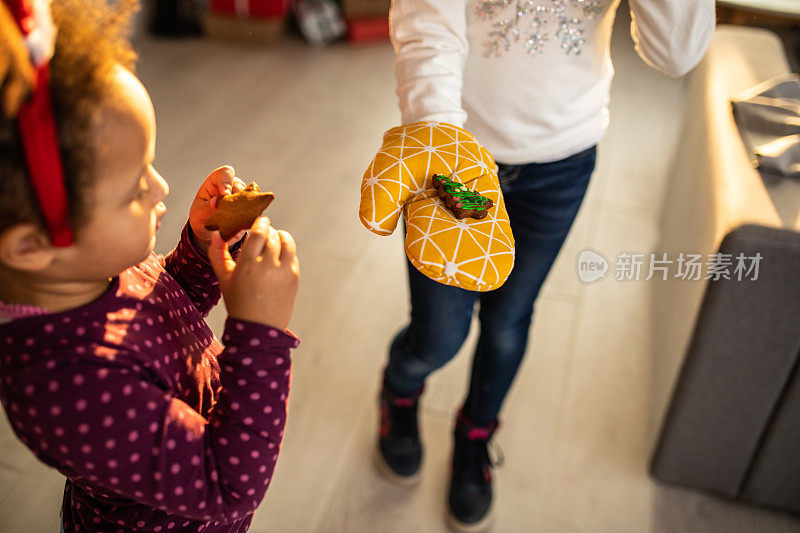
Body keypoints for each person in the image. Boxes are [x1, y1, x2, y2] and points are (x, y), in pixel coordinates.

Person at [375, 0, 716, 530]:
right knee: (438, 335)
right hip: (455, 156)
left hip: (563, 159)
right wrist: (440, 144)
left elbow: (674, 53)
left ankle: (475, 435)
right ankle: (398, 389)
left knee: (509, 320)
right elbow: (426, 24)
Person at [0, 0, 300, 530]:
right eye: (137, 186)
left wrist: (202, 249)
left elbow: (162, 305)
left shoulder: (88, 272)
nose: (162, 187)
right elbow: (227, 486)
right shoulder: (68, 390)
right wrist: (260, 335)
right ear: (30, 246)